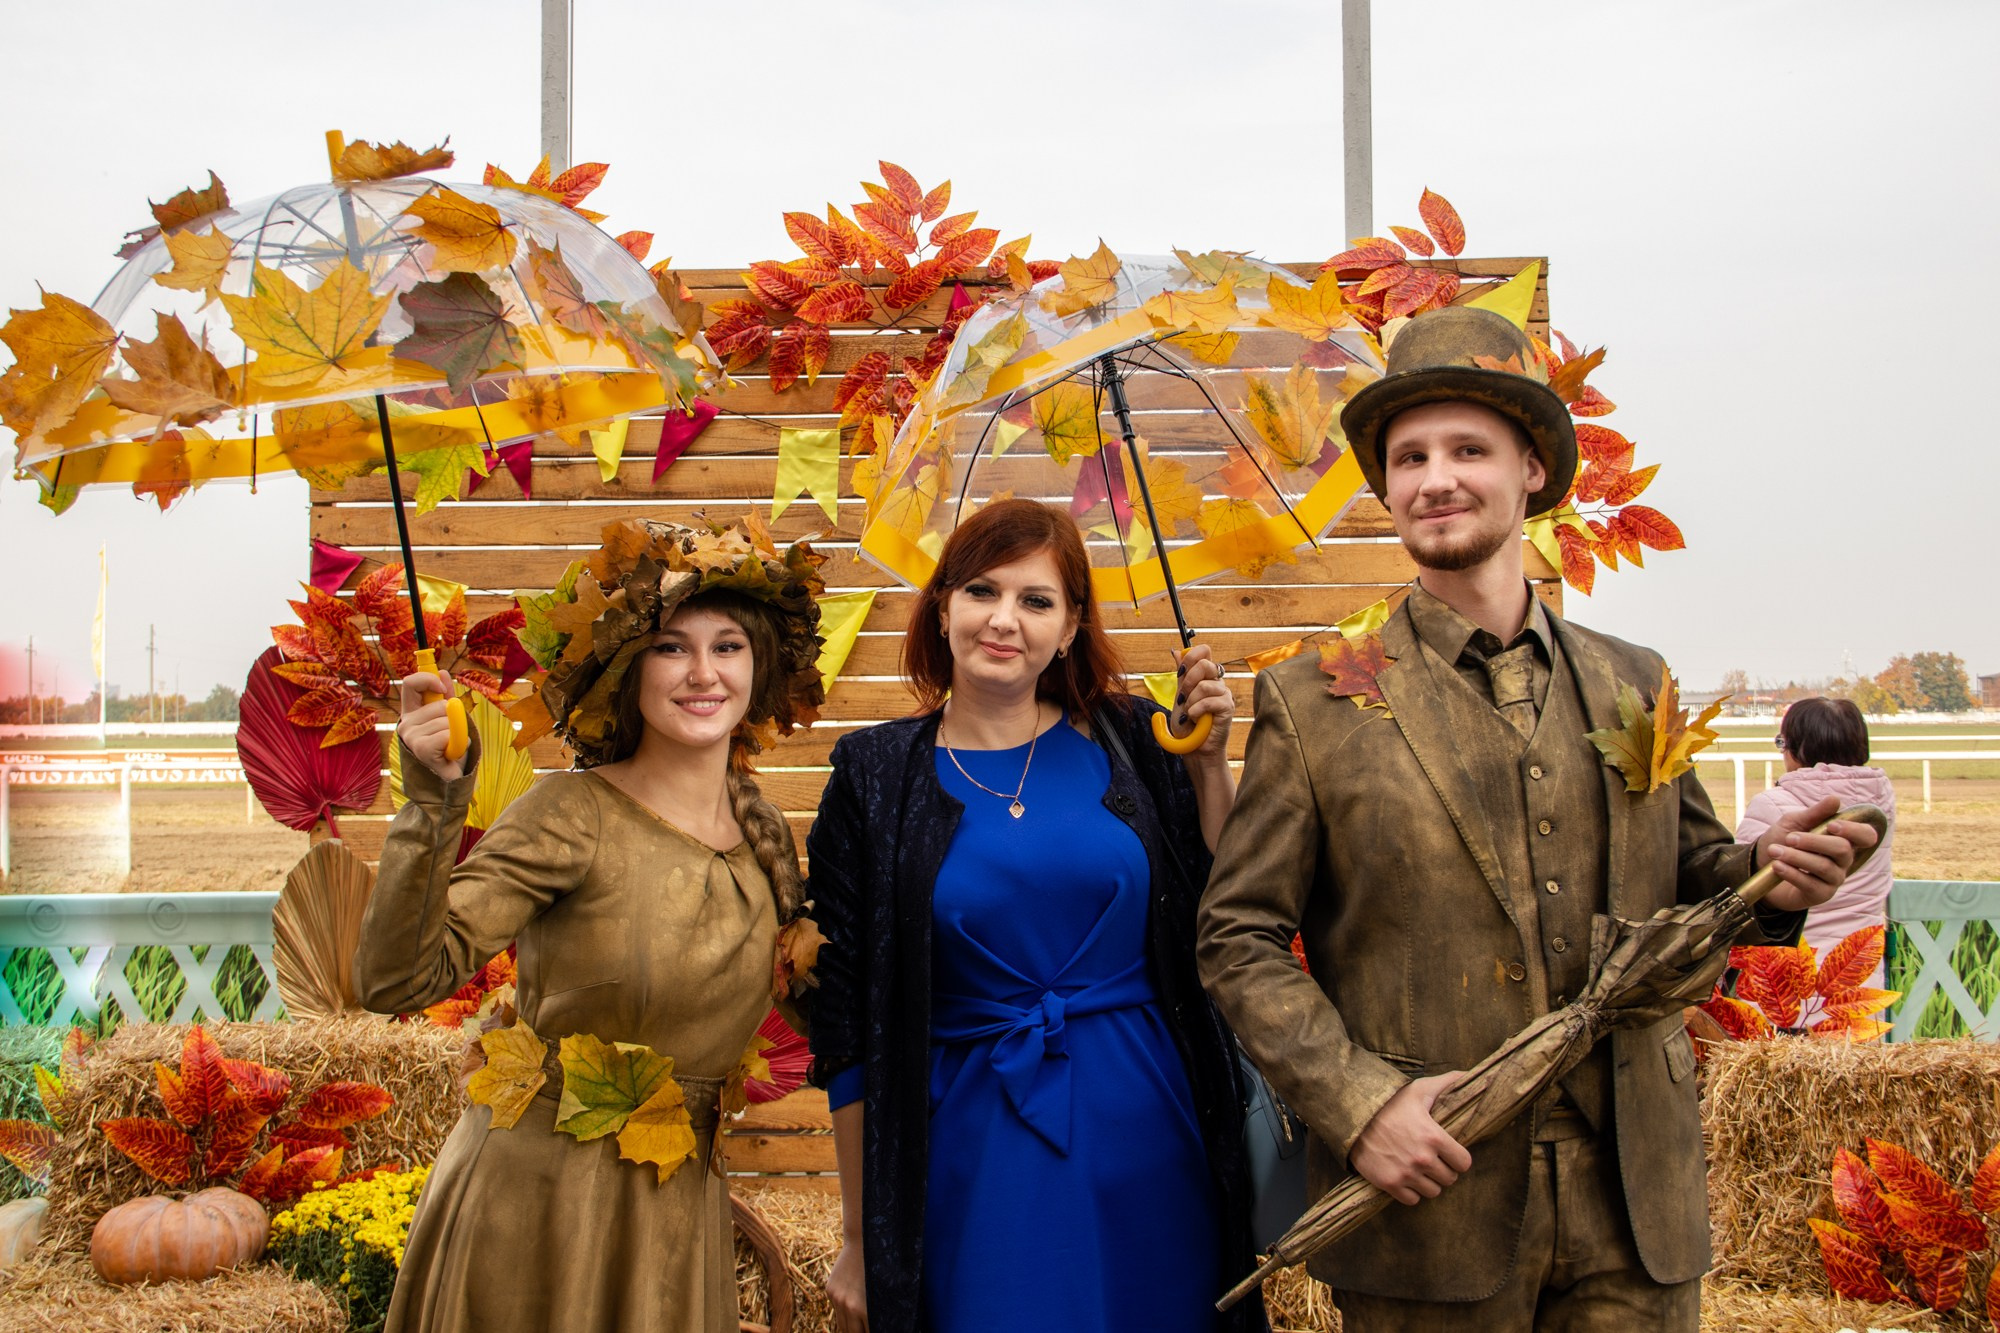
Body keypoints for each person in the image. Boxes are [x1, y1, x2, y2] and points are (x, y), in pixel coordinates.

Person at [1195, 306, 1879, 1331]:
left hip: (1633, 1200)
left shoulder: (1631, 681)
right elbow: (1235, 935)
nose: (1435, 478)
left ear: (1529, 472)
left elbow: (1694, 871)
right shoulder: (1314, 702)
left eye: (1468, 449)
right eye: (1408, 455)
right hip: (1429, 1201)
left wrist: (1766, 877)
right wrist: (1357, 1101)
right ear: (1383, 489)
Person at [351, 518, 828, 1333]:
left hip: (676, 1217)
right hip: (538, 1214)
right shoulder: (571, 814)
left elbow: (828, 1018)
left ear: (760, 668)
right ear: (627, 671)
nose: (703, 673)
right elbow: (398, 979)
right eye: (673, 647)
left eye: (728, 648)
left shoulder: (765, 837)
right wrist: (434, 801)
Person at [805, 498, 1264, 1333]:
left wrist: (1209, 770)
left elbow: (1234, 906)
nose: (1004, 619)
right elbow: (846, 1019)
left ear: (1071, 623)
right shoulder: (873, 775)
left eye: (1036, 599)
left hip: (1153, 1125)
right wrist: (858, 1230)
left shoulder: (1135, 736)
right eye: (981, 590)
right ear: (942, 607)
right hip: (971, 1145)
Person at [1737, 696, 1897, 991]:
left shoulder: (1771, 805)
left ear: (1796, 749)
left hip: (1783, 978)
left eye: (1782, 743)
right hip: (1860, 970)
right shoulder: (1882, 802)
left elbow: (1736, 893)